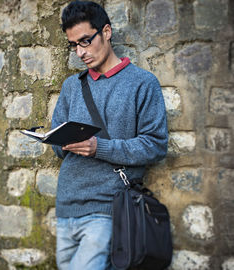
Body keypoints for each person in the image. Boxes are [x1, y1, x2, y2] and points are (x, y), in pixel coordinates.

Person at [50, 1, 168, 269]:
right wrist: (60, 142)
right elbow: (58, 149)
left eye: (85, 41)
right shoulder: (71, 86)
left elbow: (155, 145)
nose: (80, 52)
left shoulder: (142, 83)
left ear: (106, 31)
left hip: (107, 209)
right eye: (73, 45)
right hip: (66, 208)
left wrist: (98, 148)